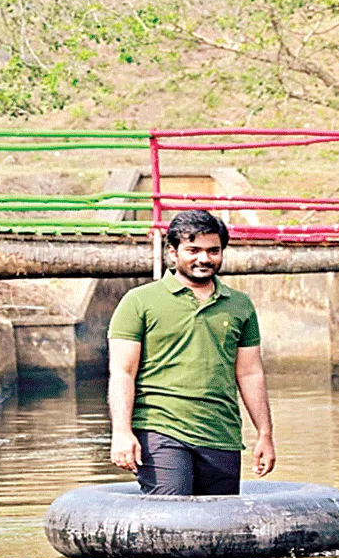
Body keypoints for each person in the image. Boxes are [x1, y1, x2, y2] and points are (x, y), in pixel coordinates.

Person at [106, 209, 276, 495]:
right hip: (161, 430)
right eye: (193, 250)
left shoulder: (239, 305)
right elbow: (123, 372)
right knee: (170, 519)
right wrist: (122, 432)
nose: (204, 259)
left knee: (220, 528)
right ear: (173, 252)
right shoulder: (139, 302)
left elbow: (250, 372)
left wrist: (265, 434)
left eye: (213, 251)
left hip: (221, 434)